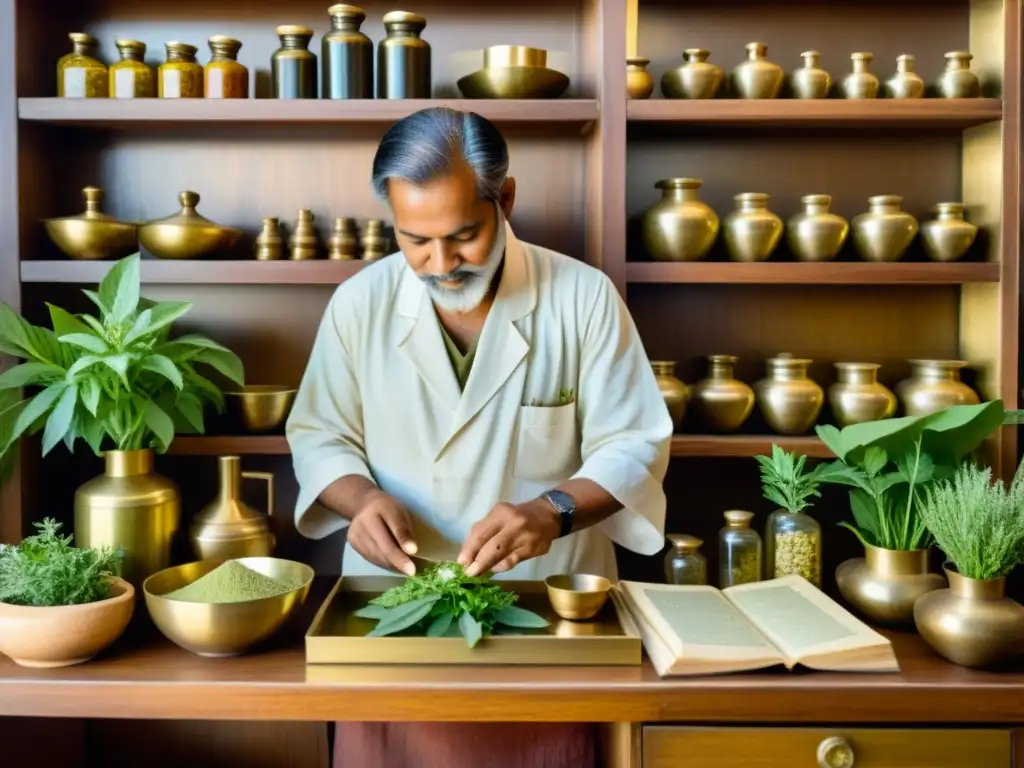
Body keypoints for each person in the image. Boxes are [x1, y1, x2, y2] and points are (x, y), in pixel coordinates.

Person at [287, 106, 672, 768]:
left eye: (462, 235)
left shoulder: (582, 298)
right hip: (392, 615)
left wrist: (552, 512)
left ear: (507, 199)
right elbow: (321, 435)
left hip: (546, 615)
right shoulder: (359, 304)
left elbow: (633, 445)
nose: (440, 263)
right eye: (415, 240)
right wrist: (360, 502)